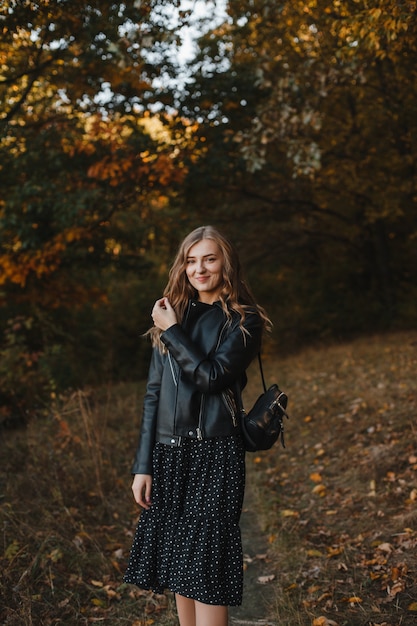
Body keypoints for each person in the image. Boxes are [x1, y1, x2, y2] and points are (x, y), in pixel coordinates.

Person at [124, 225, 271, 626]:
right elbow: (154, 393)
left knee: (204, 568)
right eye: (191, 260)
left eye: (209, 259)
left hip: (215, 452)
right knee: (181, 568)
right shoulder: (172, 311)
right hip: (169, 454)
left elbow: (211, 377)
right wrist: (143, 465)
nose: (198, 269)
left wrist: (172, 331)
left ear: (226, 263)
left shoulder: (243, 320)